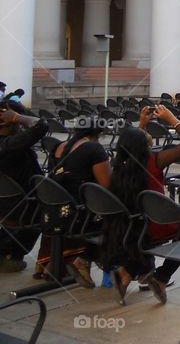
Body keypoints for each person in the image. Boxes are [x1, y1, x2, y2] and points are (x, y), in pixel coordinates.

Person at [100, 105, 180, 304]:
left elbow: (133, 142)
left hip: (128, 224)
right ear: (145, 145)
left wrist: (142, 123)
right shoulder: (155, 160)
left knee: (147, 232)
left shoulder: (118, 165)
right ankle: (161, 277)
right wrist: (172, 119)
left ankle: (127, 272)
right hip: (152, 225)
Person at [43, 120, 111, 286]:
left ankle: (62, 261)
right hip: (78, 214)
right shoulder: (93, 149)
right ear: (98, 133)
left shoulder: (59, 146)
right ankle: (86, 259)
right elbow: (107, 187)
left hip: (53, 212)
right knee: (119, 219)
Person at [0, 103, 49, 272]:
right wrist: (17, 117)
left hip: (7, 205)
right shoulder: (10, 145)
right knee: (65, 208)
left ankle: (7, 251)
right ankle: (15, 254)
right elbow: (41, 125)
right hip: (25, 207)